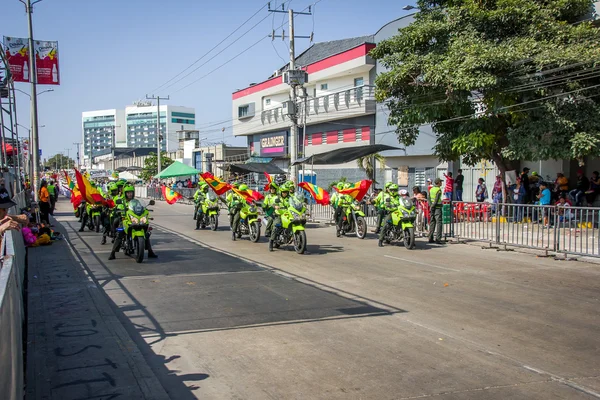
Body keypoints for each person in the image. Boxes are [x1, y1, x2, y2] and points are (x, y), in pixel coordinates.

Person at [109, 185, 157, 260]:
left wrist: (145, 209)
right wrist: (118, 211)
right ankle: (113, 253)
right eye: (128, 193)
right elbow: (118, 207)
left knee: (146, 233)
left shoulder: (136, 201)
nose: (130, 194)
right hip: (126, 220)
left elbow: (141, 208)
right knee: (120, 233)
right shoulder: (122, 201)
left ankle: (150, 252)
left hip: (136, 219)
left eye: (131, 192)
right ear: (125, 193)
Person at [269, 183, 292, 251]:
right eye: (283, 192)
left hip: (288, 214)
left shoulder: (290, 198)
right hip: (279, 215)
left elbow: (295, 203)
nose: (284, 193)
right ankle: (271, 242)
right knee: (276, 227)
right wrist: (275, 206)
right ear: (281, 192)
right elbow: (272, 203)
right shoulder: (277, 198)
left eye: (286, 192)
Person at [428, 178, 443, 244]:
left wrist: (431, 205)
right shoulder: (438, 190)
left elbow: (428, 198)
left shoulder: (431, 189)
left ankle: (430, 238)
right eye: (441, 182)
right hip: (437, 208)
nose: (441, 183)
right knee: (439, 223)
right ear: (438, 182)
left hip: (432, 208)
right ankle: (438, 239)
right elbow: (436, 199)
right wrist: (433, 206)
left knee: (432, 223)